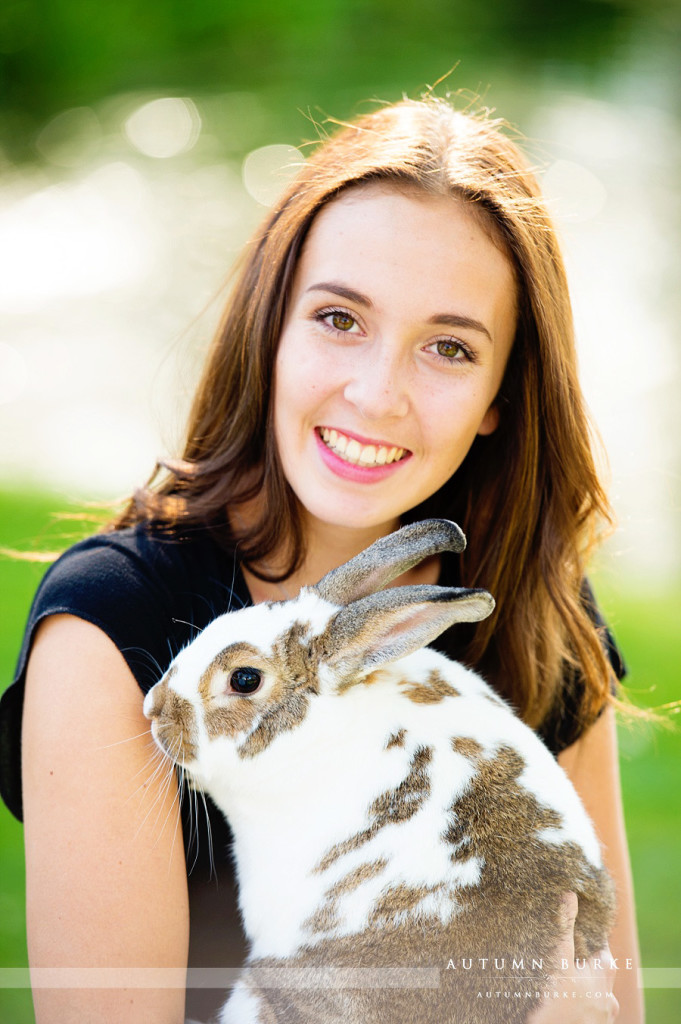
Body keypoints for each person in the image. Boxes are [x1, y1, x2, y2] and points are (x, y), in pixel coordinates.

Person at [0, 96, 642, 1023]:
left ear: (501, 395)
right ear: (271, 325)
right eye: (340, 319)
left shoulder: (536, 613)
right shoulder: (113, 626)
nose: (377, 394)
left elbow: (604, 991)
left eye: (449, 348)